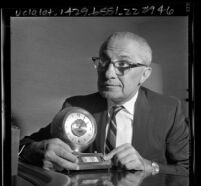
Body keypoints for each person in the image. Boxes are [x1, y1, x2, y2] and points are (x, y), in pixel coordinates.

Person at [19, 32, 189, 176]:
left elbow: (186, 169)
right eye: (103, 61)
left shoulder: (169, 110)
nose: (108, 73)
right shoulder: (76, 106)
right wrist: (36, 151)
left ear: (144, 74)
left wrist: (149, 166)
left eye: (122, 64)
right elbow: (24, 145)